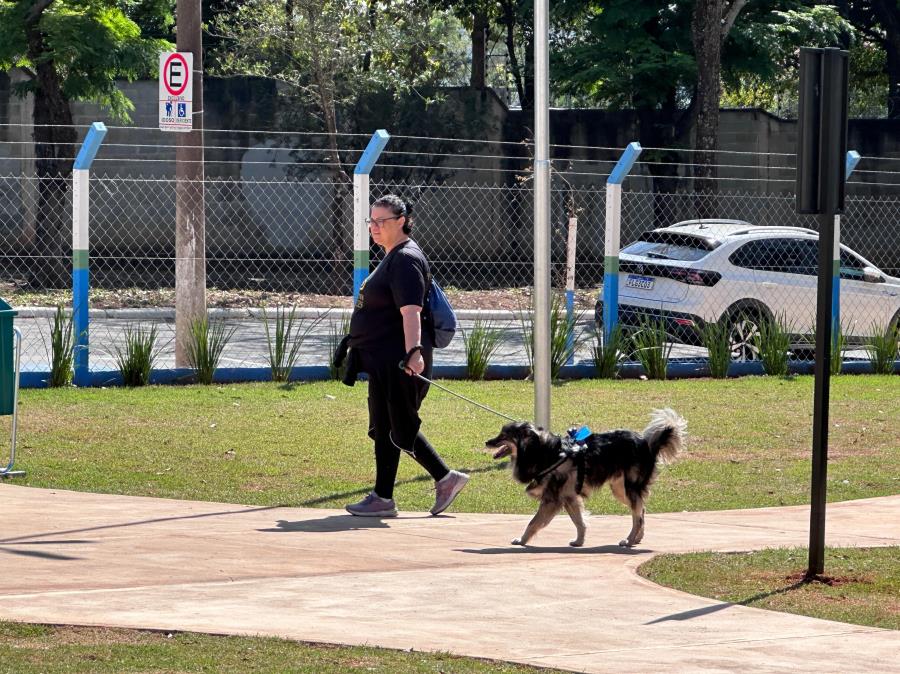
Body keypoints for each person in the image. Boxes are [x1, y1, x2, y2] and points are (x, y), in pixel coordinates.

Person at [339, 195, 469, 517]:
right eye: (371, 221)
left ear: (401, 220)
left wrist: (413, 353)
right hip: (385, 360)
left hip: (402, 360)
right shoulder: (392, 257)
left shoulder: (406, 259)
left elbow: (411, 313)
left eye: (381, 221)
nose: (374, 227)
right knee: (386, 428)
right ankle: (383, 497)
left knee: (400, 426)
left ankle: (445, 477)